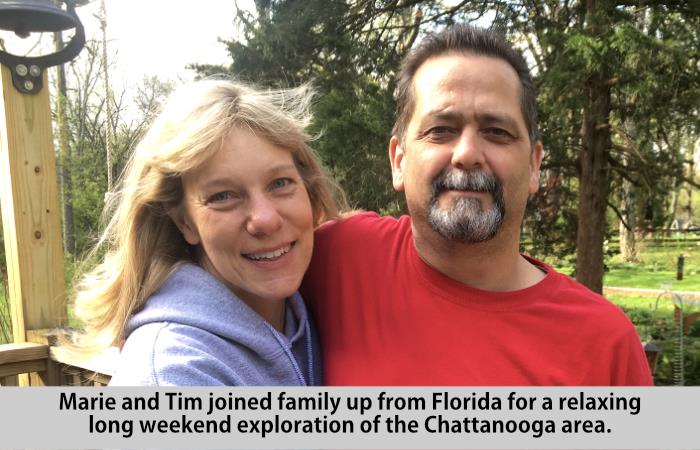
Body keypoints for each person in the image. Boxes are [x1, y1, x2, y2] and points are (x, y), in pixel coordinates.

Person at [301, 25, 653, 385]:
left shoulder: (606, 344)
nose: (467, 154)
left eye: (496, 132)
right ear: (399, 160)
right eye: (441, 129)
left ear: (534, 165)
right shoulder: (335, 258)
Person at [70, 80, 341, 385]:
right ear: (185, 222)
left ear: (308, 189)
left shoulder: (323, 311)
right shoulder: (173, 373)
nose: (265, 219)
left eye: (280, 183)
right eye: (224, 196)